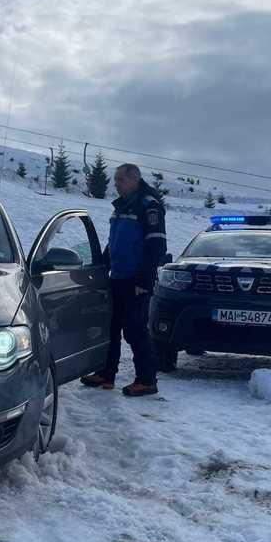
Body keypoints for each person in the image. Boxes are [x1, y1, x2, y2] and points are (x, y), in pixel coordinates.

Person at [81, 163, 167, 396]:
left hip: (136, 280)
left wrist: (143, 281)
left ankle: (147, 380)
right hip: (117, 277)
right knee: (111, 327)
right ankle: (106, 373)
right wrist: (101, 268)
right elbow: (115, 242)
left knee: (134, 329)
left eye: (120, 179)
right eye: (115, 179)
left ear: (134, 180)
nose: (116, 184)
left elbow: (156, 246)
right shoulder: (121, 207)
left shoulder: (149, 206)